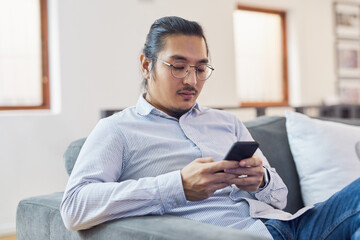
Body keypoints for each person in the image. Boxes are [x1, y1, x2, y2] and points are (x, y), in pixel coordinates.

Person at [60, 16, 360, 239]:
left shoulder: (227, 122)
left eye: (201, 68)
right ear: (145, 65)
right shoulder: (117, 130)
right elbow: (74, 208)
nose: (192, 80)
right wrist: (177, 185)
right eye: (178, 66)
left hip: (290, 226)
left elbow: (280, 198)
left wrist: (261, 181)